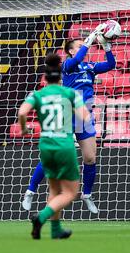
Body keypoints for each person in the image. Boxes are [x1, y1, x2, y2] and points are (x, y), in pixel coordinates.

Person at [22, 23, 116, 214]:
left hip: (85, 116)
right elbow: (78, 58)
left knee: (90, 158)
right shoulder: (66, 66)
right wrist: (89, 41)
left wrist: (106, 47)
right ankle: (30, 191)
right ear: (71, 51)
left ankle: (87, 195)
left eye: (84, 44)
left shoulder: (90, 67)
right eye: (79, 45)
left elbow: (111, 65)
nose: (83, 48)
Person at [18, 53, 91, 240]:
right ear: (61, 78)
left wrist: (25, 129)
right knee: (70, 192)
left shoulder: (38, 94)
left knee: (55, 190)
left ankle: (55, 229)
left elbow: (22, 112)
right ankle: (41, 217)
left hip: (46, 146)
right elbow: (85, 117)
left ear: (45, 78)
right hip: (64, 146)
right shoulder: (69, 93)